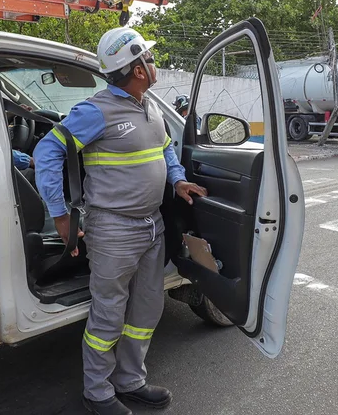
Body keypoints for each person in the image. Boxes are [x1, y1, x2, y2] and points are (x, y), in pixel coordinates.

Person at [33, 27, 207, 415]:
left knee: (146, 308)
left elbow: (165, 149)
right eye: (149, 56)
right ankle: (96, 392)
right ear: (139, 69)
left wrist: (177, 179)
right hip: (113, 229)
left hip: (152, 225)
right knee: (109, 312)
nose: (154, 62)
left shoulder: (150, 107)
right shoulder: (97, 111)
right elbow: (47, 151)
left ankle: (130, 381)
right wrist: (60, 214)